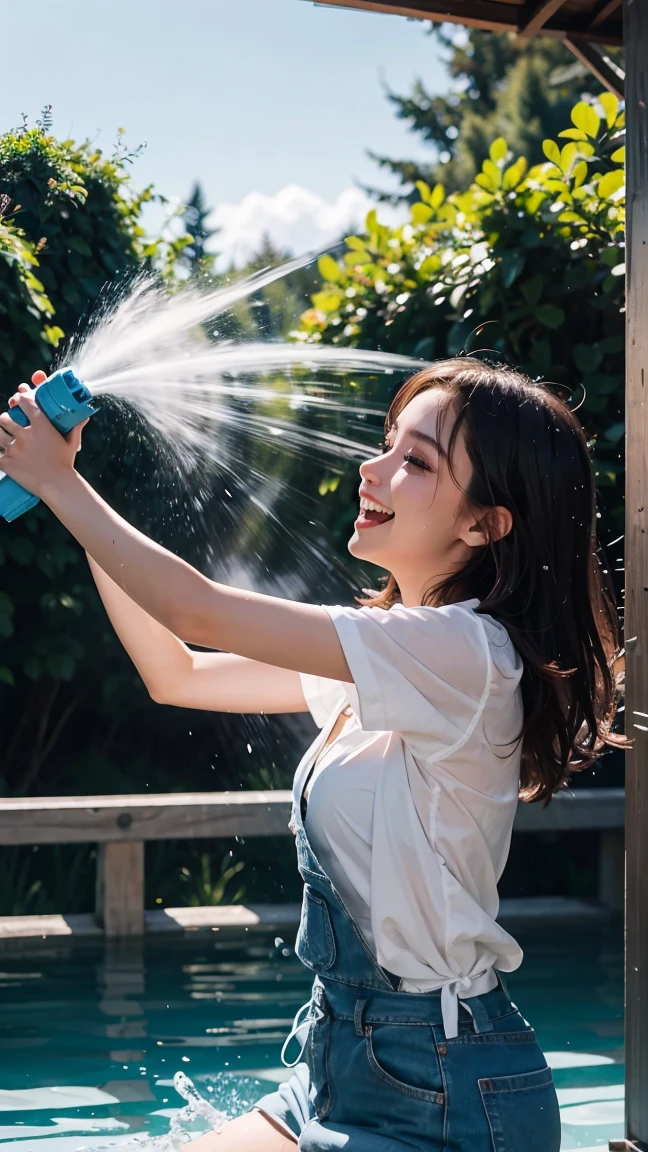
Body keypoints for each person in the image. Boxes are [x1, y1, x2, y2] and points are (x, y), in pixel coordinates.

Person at [0, 358, 626, 1151]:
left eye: (417, 461)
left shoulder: (468, 654)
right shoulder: (388, 659)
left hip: (443, 1085)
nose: (374, 468)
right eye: (388, 443)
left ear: (485, 524)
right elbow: (178, 669)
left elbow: (199, 609)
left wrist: (61, 485)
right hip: (338, 1056)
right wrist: (68, 491)